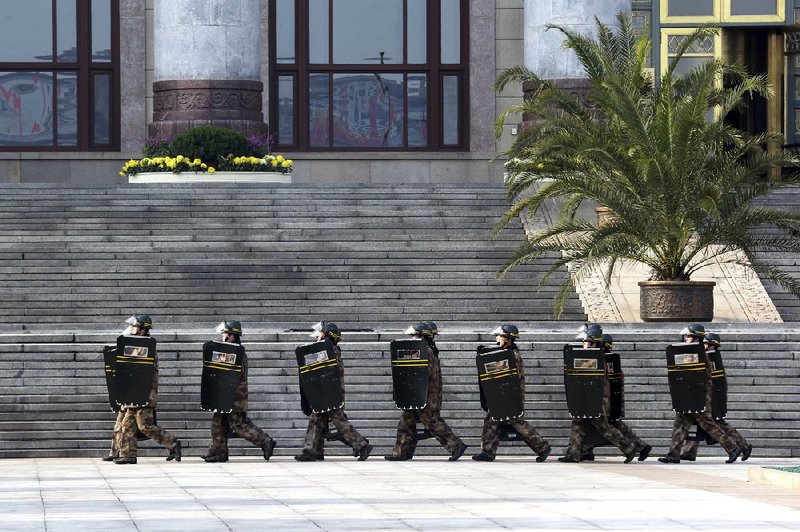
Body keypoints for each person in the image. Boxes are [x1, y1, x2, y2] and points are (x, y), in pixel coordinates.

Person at [658, 324, 742, 464]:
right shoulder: (692, 351)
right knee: (679, 425)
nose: (686, 338)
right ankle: (673, 454)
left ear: (696, 337)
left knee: (709, 425)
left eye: (689, 336)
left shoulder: (699, 354)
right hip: (689, 396)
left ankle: (733, 448)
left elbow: (699, 377)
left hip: (700, 397)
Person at [385, 322, 468, 461]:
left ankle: (456, 445)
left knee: (431, 421)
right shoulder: (427, 350)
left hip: (426, 394)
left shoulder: (426, 351)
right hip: (418, 393)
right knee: (406, 420)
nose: (412, 338)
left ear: (424, 336)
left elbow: (421, 374)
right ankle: (402, 452)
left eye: (415, 335)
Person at [558, 324, 637, 463]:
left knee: (604, 427)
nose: (586, 345)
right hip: (586, 400)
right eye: (585, 342)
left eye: (590, 342)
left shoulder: (599, 359)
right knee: (578, 424)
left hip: (598, 400)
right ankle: (573, 454)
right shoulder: (587, 357)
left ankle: (629, 448)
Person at [295, 322, 373, 461]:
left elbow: (315, 364)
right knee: (316, 419)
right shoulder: (328, 349)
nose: (318, 335)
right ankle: (313, 451)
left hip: (331, 393)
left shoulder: (330, 350)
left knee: (338, 421)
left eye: (321, 333)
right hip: (326, 392)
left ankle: (362, 445)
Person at [472, 325, 551, 462]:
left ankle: (542, 447)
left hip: (509, 397)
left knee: (515, 422)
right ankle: (488, 452)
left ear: (508, 339)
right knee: (493, 421)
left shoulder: (512, 356)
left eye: (500, 336)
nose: (497, 338)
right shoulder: (507, 354)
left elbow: (507, 378)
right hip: (504, 395)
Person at [202, 321, 277, 462]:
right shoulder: (230, 351)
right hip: (225, 395)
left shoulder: (236, 353)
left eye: (225, 333)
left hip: (235, 396)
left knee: (238, 424)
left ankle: (265, 441)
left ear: (231, 336)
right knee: (218, 423)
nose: (223, 335)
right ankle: (218, 451)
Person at [114, 315, 182, 465]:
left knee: (145, 426)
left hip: (145, 393)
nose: (133, 329)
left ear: (143, 330)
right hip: (133, 393)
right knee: (127, 424)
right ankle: (128, 455)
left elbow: (143, 373)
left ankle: (173, 443)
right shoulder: (134, 345)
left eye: (136, 327)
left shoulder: (146, 347)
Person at [678, 332, 753, 462]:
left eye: (707, 344)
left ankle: (742, 446)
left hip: (710, 399)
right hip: (705, 398)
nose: (704, 345)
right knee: (699, 423)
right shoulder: (709, 357)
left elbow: (717, 383)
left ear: (713, 345)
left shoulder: (711, 358)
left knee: (717, 424)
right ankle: (689, 451)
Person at [581, 333, 651, 462]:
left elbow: (612, 385)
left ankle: (638, 446)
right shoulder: (608, 359)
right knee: (594, 424)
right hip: (608, 401)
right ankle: (586, 450)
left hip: (607, 401)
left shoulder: (608, 361)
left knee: (609, 424)